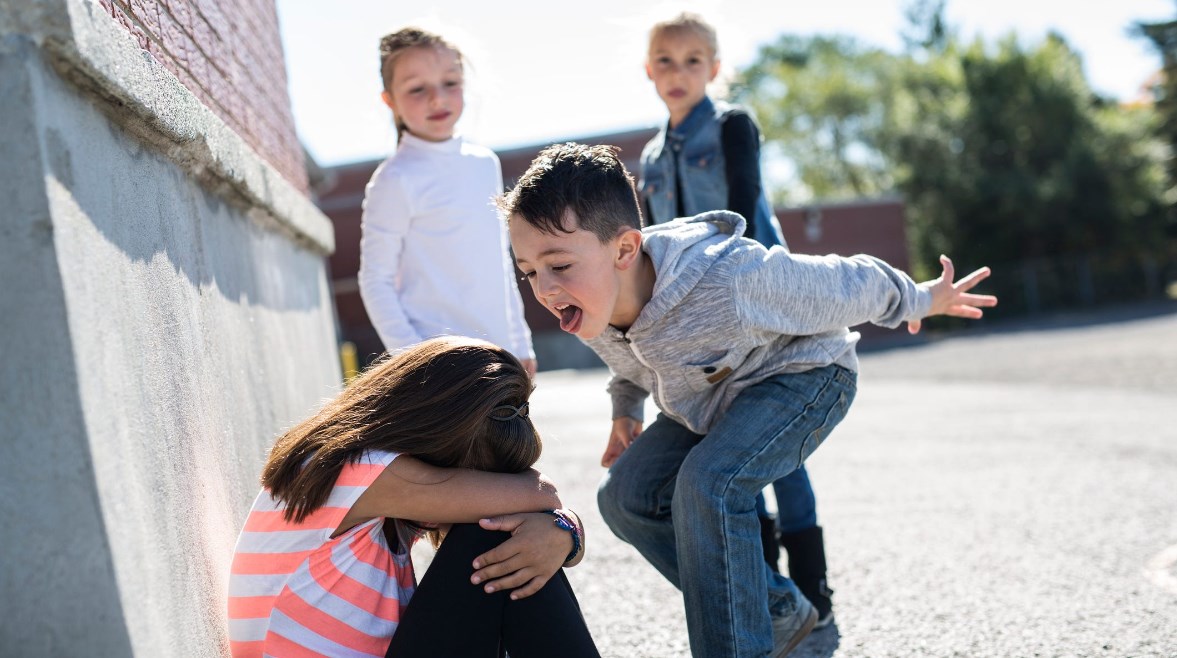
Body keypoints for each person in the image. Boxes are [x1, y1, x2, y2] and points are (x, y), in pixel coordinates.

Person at [500, 143, 997, 658]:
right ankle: (776, 610)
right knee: (624, 498)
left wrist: (919, 299)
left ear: (625, 250)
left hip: (805, 377)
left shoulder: (729, 279)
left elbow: (848, 282)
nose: (545, 288)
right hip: (711, 398)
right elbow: (628, 359)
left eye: (558, 264)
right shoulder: (588, 301)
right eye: (529, 271)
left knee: (708, 484)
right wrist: (625, 409)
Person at [226, 336, 600, 657]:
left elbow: (542, 507)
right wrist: (558, 523)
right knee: (494, 532)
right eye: (472, 477)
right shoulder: (357, 469)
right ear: (436, 435)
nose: (475, 492)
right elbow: (543, 494)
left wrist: (564, 531)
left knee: (518, 542)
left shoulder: (376, 485)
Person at [636, 12, 831, 625]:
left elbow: (744, 208)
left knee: (781, 454)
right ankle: (772, 596)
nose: (679, 72)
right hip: (696, 326)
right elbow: (650, 244)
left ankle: (814, 593)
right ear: (649, 70)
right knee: (729, 449)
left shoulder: (731, 126)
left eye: (694, 60)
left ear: (715, 69)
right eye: (666, 60)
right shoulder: (649, 155)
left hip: (760, 307)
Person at [358, 27, 536, 376]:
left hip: (501, 357)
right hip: (440, 369)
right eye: (417, 89)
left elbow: (500, 263)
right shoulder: (394, 179)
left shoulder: (485, 163)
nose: (437, 99)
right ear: (390, 100)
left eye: (450, 83)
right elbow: (375, 280)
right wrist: (414, 359)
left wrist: (520, 342)